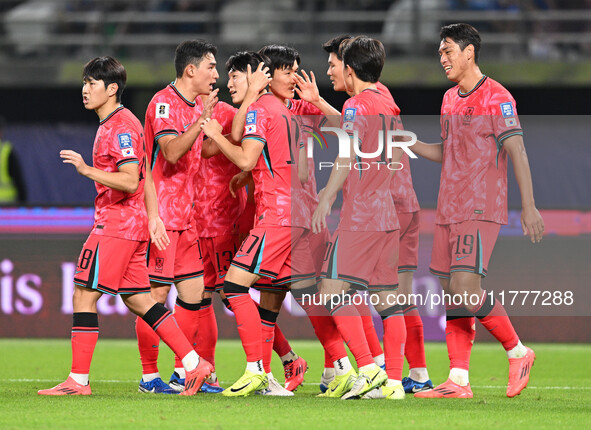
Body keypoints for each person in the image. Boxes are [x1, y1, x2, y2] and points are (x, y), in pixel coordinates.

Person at [37, 56, 212, 396]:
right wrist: (154, 216)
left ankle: (78, 381)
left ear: (112, 88)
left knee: (83, 295)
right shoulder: (119, 121)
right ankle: (194, 363)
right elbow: (146, 175)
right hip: (133, 224)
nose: (85, 90)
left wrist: (88, 171)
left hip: (117, 223)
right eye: (85, 83)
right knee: (139, 299)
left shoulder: (119, 126)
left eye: (92, 83)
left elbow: (131, 180)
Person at [411, 23, 542, 399]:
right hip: (448, 208)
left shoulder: (498, 97)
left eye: (448, 50)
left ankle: (518, 351)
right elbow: (445, 152)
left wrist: (528, 206)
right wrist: (412, 143)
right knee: (453, 293)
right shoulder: (449, 99)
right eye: (439, 52)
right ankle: (458, 381)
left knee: (466, 288)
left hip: (480, 206)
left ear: (469, 52)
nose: (442, 58)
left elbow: (517, 151)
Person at [201, 47, 319, 397]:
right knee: (283, 296)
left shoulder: (261, 109)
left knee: (234, 286)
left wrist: (216, 133)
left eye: (236, 75)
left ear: (254, 74)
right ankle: (281, 372)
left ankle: (256, 369)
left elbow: (246, 157)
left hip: (277, 216)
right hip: (292, 213)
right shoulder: (279, 109)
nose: (229, 82)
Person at [319, 34, 433, 394]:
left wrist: (326, 196)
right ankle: (395, 383)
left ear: (350, 70)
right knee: (389, 302)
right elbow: (397, 155)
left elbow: (345, 155)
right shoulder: (387, 102)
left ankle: (368, 370)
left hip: (361, 215)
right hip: (387, 214)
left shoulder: (356, 106)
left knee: (331, 290)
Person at [135, 39, 219, 394]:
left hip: (189, 215)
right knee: (155, 296)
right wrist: (201, 120)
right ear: (191, 70)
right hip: (162, 216)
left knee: (194, 294)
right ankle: (149, 377)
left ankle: (181, 372)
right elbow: (170, 152)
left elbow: (205, 150)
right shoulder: (164, 103)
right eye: (211, 67)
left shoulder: (199, 103)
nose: (216, 74)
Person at [0, 116, 26, 205]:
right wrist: (23, 204)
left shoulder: (6, 151)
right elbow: (18, 180)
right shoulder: (6, 151)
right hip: (7, 206)